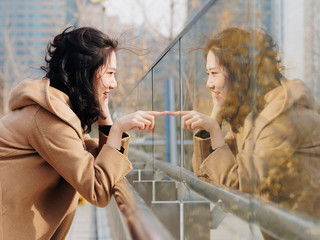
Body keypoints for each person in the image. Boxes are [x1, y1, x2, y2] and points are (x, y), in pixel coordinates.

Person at [0, 26, 163, 239]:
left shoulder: (55, 110)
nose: (114, 84)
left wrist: (105, 115)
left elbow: (93, 155)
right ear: (85, 72)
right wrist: (118, 129)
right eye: (110, 74)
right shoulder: (50, 119)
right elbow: (98, 190)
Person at [169, 27, 320, 222]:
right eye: (208, 73)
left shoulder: (278, 120)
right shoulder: (253, 115)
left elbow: (239, 190)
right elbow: (207, 176)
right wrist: (216, 114)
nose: (209, 83)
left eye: (214, 73)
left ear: (239, 73)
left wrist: (215, 131)